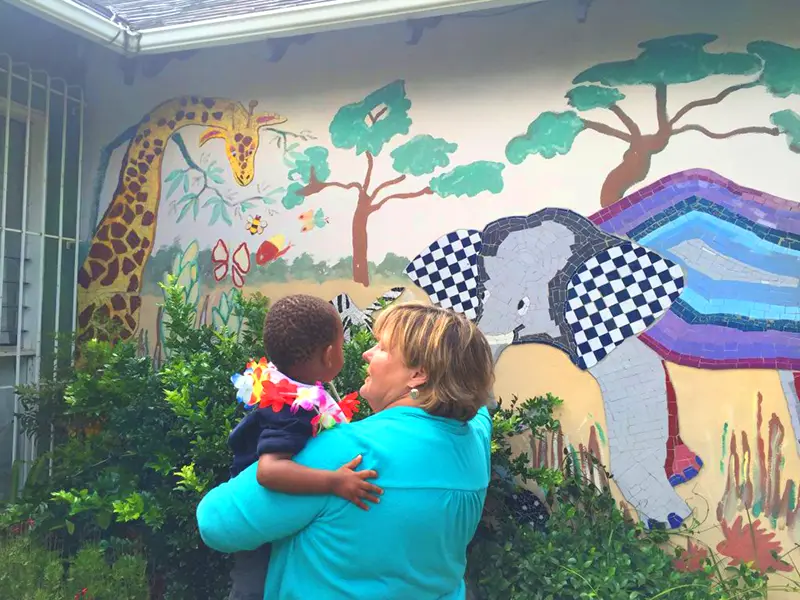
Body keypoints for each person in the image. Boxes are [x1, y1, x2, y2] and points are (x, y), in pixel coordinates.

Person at [198, 302, 495, 600]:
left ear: (418, 374)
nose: (367, 353)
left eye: (383, 347)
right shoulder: (475, 441)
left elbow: (215, 523)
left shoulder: (348, 453)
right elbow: (480, 407)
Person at [225, 294, 382, 600]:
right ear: (328, 355)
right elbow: (269, 471)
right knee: (253, 586)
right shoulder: (292, 407)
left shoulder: (298, 385)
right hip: (259, 519)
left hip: (281, 516)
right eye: (341, 344)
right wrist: (334, 482)